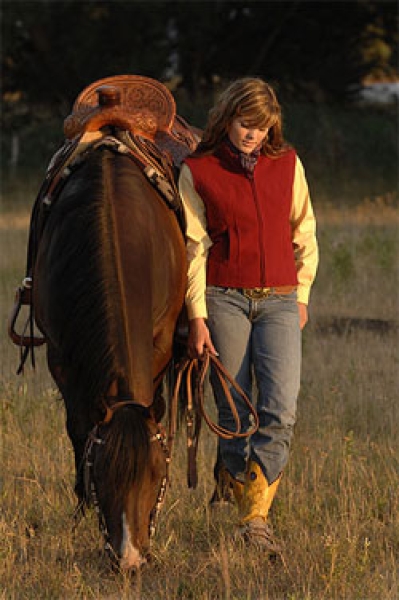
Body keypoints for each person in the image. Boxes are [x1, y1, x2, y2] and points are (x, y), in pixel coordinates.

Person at [178, 78, 318, 553]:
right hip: (223, 298)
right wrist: (196, 315)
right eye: (244, 124)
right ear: (228, 117)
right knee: (235, 410)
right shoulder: (198, 170)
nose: (252, 135)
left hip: (280, 297)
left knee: (280, 406)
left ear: (271, 126)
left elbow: (306, 231)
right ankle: (247, 509)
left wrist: (300, 294)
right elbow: (193, 249)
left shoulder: (288, 164)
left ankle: (254, 514)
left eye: (261, 127)